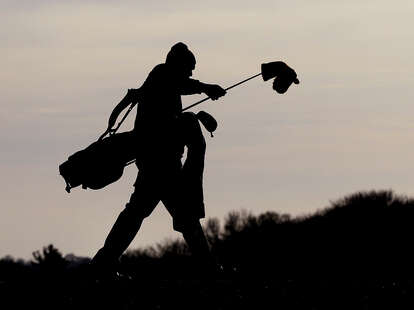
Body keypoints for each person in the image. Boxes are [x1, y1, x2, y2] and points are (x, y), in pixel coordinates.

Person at [91, 42, 226, 278]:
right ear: (178, 64)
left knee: (140, 214)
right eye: (190, 68)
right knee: (181, 218)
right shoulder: (162, 74)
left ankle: (104, 263)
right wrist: (205, 88)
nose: (192, 73)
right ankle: (209, 269)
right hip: (160, 165)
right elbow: (182, 84)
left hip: (159, 164)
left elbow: (181, 86)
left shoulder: (163, 82)